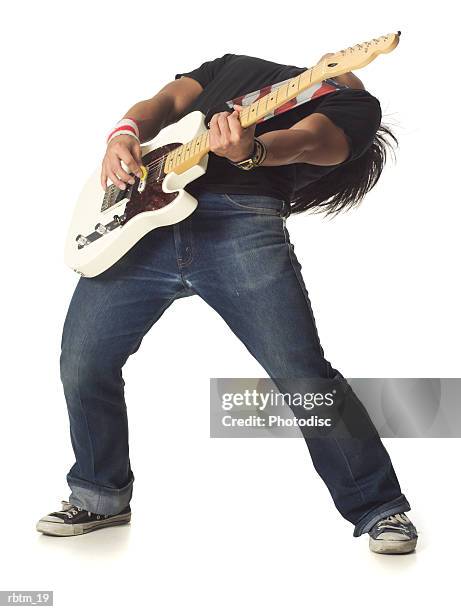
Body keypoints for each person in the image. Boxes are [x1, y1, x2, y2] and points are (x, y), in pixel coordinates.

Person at [36, 52, 418, 554]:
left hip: (241, 224)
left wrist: (252, 152)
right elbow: (168, 101)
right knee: (82, 362)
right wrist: (123, 134)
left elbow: (308, 141)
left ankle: (381, 509)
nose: (340, 62)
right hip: (144, 226)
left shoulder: (356, 106)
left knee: (300, 373)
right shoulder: (234, 66)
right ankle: (99, 496)